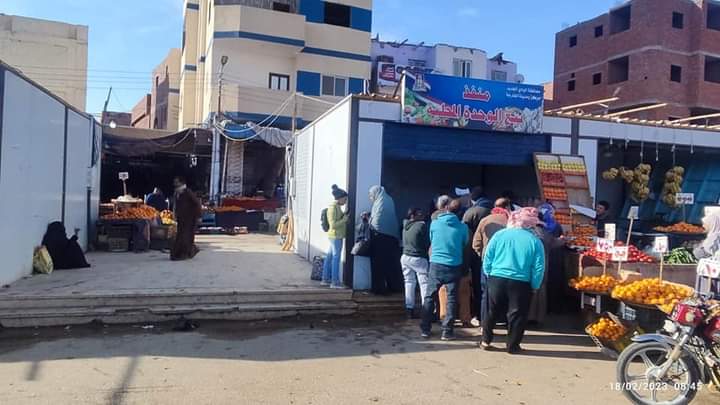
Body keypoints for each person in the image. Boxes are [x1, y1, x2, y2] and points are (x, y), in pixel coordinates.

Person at [481, 207, 545, 354]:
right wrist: (535, 285)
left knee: (492, 310)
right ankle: (512, 345)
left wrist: (488, 273)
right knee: (517, 314)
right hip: (521, 282)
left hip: (496, 277)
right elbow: (539, 267)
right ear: (531, 224)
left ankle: (485, 340)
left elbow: (488, 256)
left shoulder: (499, 235)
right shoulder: (535, 241)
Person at [421, 199, 469, 341]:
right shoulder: (463, 227)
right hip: (454, 264)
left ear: (446, 208)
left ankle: (425, 329)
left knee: (430, 296)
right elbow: (464, 243)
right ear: (461, 212)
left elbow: (432, 240)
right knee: (452, 298)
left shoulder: (434, 224)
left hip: (436, 263)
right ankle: (447, 332)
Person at [472, 198, 512, 322]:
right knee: (506, 292)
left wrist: (483, 255)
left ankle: (485, 321)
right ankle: (503, 319)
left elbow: (476, 243)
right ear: (508, 207)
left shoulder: (485, 220)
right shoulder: (511, 222)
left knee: (486, 293)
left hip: (487, 262)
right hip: (506, 262)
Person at [462, 187, 493, 324]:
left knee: (477, 285)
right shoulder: (495, 211)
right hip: (495, 254)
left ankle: (479, 314)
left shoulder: (471, 212)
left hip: (477, 254)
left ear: (473, 198)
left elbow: (465, 234)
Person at [529, 211, 566, 324]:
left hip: (527, 267)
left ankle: (528, 316)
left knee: (528, 290)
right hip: (542, 266)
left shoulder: (527, 232)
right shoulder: (545, 233)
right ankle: (538, 317)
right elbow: (555, 243)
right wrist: (562, 239)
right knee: (540, 291)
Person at [368, 185, 402, 295]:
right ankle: (394, 287)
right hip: (391, 238)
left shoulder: (379, 203)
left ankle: (378, 289)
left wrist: (368, 221)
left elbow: (376, 222)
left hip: (379, 238)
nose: (370, 197)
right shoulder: (388, 200)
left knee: (378, 265)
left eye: (371, 195)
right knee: (390, 264)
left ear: (376, 193)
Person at [401, 208, 430, 318]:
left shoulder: (405, 226)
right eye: (420, 214)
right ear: (413, 215)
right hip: (418, 257)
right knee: (424, 283)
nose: (422, 216)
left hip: (405, 256)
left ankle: (409, 309)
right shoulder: (421, 226)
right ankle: (426, 309)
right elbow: (427, 242)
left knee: (409, 282)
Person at [322, 185, 349, 288]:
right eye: (345, 199)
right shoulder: (333, 208)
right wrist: (344, 220)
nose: (345, 202)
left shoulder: (337, 207)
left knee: (329, 257)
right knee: (336, 258)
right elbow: (333, 224)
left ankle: (325, 279)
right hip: (336, 236)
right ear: (340, 198)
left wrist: (343, 216)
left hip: (334, 236)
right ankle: (335, 282)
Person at [170, 176, 202, 261]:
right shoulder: (177, 193)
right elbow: (176, 206)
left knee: (185, 236)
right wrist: (175, 215)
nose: (175, 184)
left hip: (189, 218)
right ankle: (188, 251)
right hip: (181, 218)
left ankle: (185, 253)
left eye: (176, 182)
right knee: (181, 236)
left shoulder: (187, 192)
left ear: (181, 183)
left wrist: (199, 216)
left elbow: (197, 203)